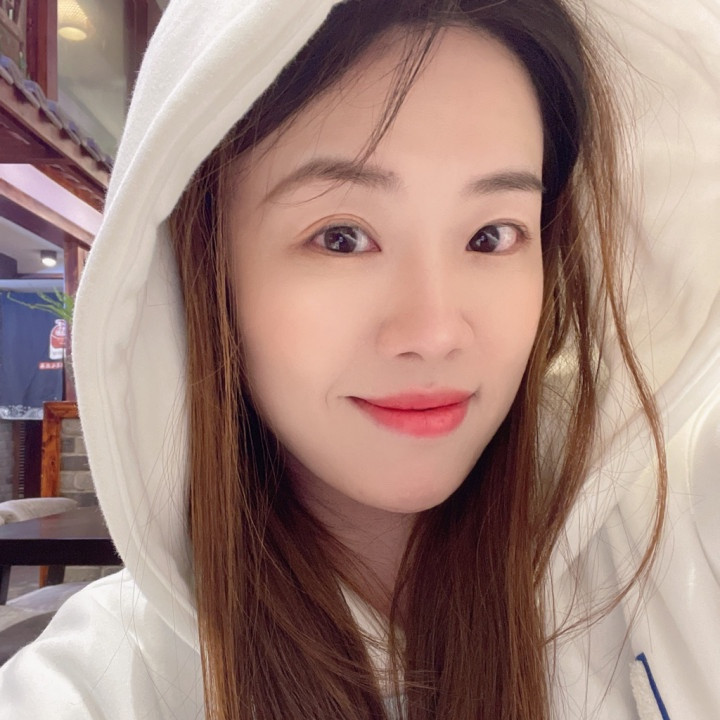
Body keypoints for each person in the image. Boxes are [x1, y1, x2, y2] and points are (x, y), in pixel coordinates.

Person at [1, 0, 718, 717]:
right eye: (341, 236)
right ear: (208, 269)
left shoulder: (670, 528)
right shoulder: (103, 683)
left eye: (492, 235)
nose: (434, 332)